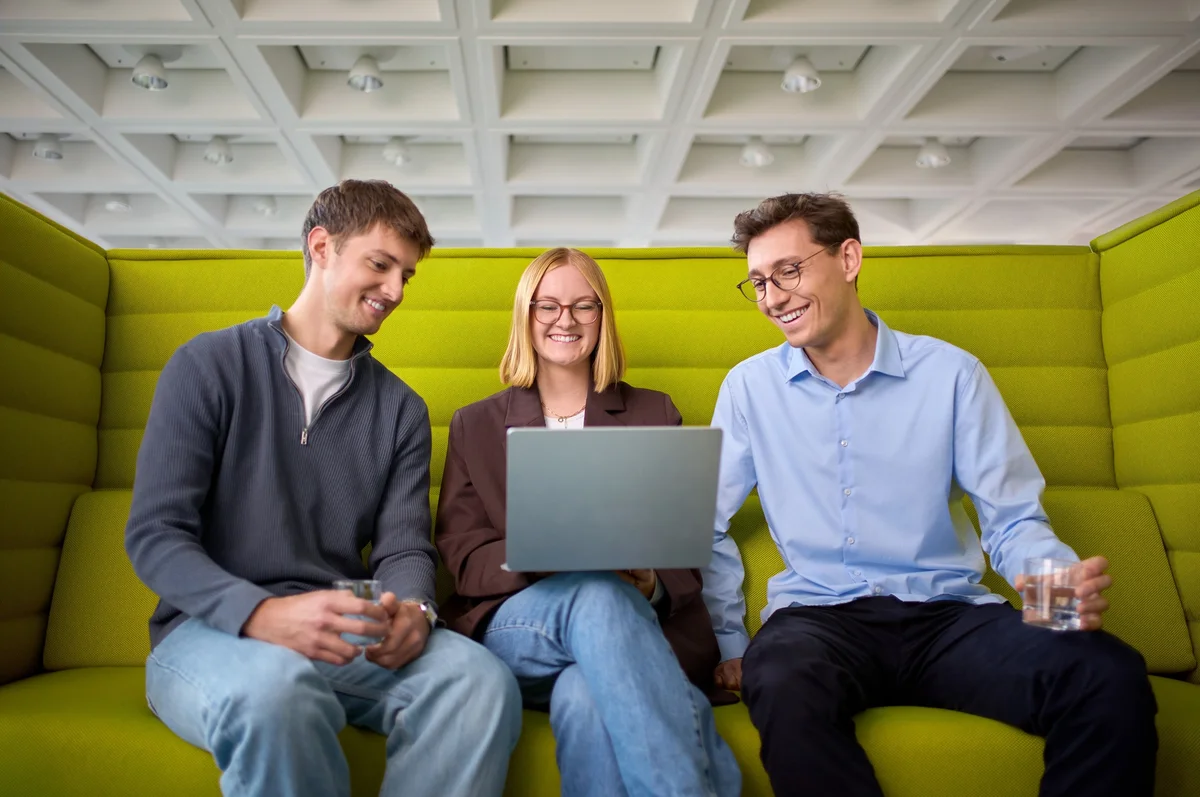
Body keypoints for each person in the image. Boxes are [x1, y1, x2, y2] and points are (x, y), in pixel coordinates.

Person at [700, 192, 1158, 797]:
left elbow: (1013, 518)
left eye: (789, 270)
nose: (773, 298)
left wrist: (1060, 600)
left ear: (849, 258)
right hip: (818, 621)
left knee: (1108, 673)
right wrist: (733, 644)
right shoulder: (748, 388)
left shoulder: (951, 374)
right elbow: (702, 522)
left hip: (949, 619)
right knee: (779, 678)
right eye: (758, 283)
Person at [124, 179, 522, 797]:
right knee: (274, 691)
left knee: (478, 681)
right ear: (322, 246)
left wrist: (416, 610)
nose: (394, 291)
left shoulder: (401, 410)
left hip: (340, 629)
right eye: (380, 264)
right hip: (209, 633)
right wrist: (262, 614)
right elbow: (155, 535)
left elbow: (404, 549)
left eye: (406, 276)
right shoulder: (207, 366)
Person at [434, 247, 742, 797]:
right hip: (520, 625)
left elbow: (683, 554)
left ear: (604, 317)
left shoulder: (654, 412)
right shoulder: (475, 424)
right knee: (595, 595)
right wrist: (540, 551)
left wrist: (649, 582)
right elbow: (463, 558)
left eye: (584, 305)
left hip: (635, 627)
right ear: (525, 316)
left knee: (584, 694)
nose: (565, 320)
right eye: (546, 305)